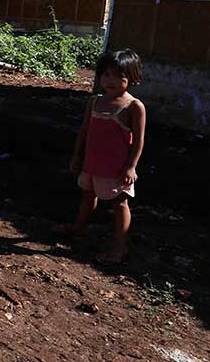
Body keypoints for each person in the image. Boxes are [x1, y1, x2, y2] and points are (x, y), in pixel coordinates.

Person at [60, 49, 147, 265]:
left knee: (119, 204)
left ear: (132, 77)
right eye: (106, 75)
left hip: (116, 168)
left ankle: (120, 246)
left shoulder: (134, 107)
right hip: (91, 163)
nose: (111, 81)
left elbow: (139, 141)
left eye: (119, 76)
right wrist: (77, 156)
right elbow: (84, 131)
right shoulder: (95, 102)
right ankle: (80, 227)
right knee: (88, 195)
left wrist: (131, 167)